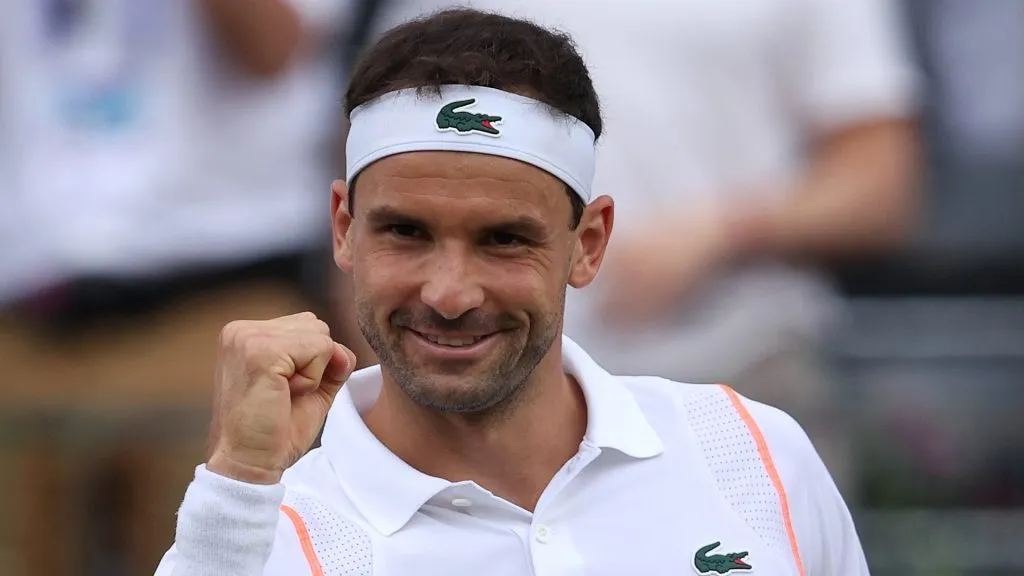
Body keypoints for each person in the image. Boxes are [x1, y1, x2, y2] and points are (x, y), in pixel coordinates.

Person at [155, 9, 869, 575]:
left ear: (587, 243)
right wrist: (239, 487)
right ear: (343, 229)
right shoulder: (255, 526)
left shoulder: (752, 452)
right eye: (405, 231)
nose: (450, 292)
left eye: (503, 239)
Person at [363, 0, 921, 497]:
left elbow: (879, 183)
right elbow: (380, 188)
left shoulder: (775, 448)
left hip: (744, 364)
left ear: (593, 240)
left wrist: (723, 232)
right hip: (481, 401)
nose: (449, 289)